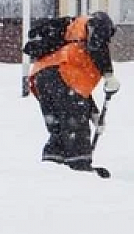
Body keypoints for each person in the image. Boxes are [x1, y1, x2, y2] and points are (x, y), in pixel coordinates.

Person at [26, 11, 121, 173]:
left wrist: (94, 115)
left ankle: (51, 167)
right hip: (62, 75)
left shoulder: (71, 37)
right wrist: (108, 74)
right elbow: (97, 42)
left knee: (59, 129)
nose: (108, 41)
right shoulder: (96, 22)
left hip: (42, 77)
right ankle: (80, 168)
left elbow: (77, 92)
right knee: (76, 127)